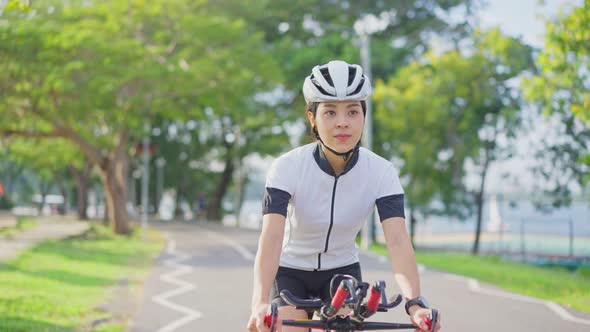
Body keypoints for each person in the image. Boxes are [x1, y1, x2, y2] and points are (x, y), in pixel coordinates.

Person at [247, 60, 441, 332]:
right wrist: (259, 302)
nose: (342, 123)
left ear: (364, 116)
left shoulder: (381, 172)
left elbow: (397, 240)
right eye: (330, 113)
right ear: (312, 118)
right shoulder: (287, 167)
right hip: (291, 271)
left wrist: (415, 303)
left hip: (343, 274)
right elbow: (272, 237)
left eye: (352, 112)